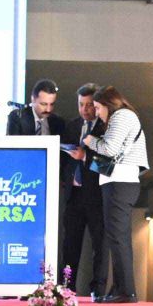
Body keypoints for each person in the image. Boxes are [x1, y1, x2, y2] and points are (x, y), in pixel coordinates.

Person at [82, 86, 149, 302]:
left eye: (98, 107)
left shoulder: (122, 116)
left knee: (118, 238)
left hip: (120, 183)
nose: (97, 113)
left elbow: (110, 149)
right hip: (118, 181)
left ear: (108, 104)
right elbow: (113, 155)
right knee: (117, 237)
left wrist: (90, 141)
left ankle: (126, 291)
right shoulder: (122, 117)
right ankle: (120, 288)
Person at [59, 83, 105, 294]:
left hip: (96, 194)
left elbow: (108, 164)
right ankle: (66, 288)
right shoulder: (72, 126)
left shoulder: (105, 127)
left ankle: (98, 289)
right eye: (80, 104)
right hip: (74, 194)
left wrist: (85, 156)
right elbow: (64, 160)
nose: (84, 109)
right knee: (70, 244)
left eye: (89, 105)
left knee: (99, 245)